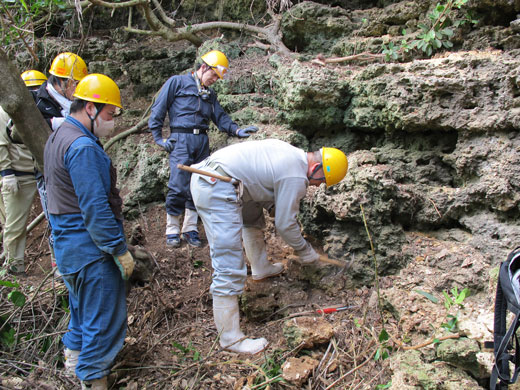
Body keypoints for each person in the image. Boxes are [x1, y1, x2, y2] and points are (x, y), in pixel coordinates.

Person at [190, 139, 348, 354]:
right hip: (216, 184)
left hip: (221, 179)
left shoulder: (291, 155)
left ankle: (261, 268)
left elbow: (262, 184)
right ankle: (230, 339)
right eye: (322, 180)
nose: (318, 185)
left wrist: (279, 206)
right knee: (228, 262)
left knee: (250, 215)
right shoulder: (296, 174)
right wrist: (305, 251)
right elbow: (284, 225)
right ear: (316, 168)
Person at [44, 73, 134, 390]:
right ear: (91, 109)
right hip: (91, 252)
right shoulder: (83, 147)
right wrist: (118, 249)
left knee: (82, 313)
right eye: (110, 115)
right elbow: (95, 207)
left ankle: (72, 364)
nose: (112, 123)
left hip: (68, 249)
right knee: (103, 322)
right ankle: (92, 378)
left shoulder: (58, 136)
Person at [148, 49, 259, 248]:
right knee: (178, 183)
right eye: (213, 74)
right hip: (180, 139)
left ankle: (190, 228)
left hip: (202, 141)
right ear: (203, 67)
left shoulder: (210, 93)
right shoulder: (178, 82)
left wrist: (237, 130)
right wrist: (159, 138)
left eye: (218, 77)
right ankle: (172, 228)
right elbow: (159, 108)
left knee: (198, 182)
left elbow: (220, 116)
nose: (215, 79)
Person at [34, 52, 89, 271]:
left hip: (75, 169)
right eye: (74, 83)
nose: (76, 88)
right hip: (50, 174)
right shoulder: (39, 103)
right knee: (58, 221)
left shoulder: (73, 102)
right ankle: (61, 268)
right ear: (61, 82)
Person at [0, 71, 47, 274]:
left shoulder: (42, 109)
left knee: (55, 220)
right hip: (17, 174)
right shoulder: (5, 112)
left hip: (39, 170)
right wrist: (6, 172)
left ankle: (57, 266)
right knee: (14, 226)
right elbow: (1, 144)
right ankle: (14, 268)